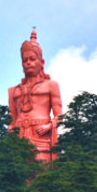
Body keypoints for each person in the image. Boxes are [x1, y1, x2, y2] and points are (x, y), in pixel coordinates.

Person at [8, 29, 63, 164]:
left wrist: (48, 127)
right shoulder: (13, 91)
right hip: (19, 138)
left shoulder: (51, 85)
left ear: (41, 62)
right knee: (19, 175)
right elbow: (11, 119)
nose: (28, 63)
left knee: (41, 174)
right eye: (24, 60)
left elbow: (60, 116)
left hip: (41, 138)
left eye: (32, 59)